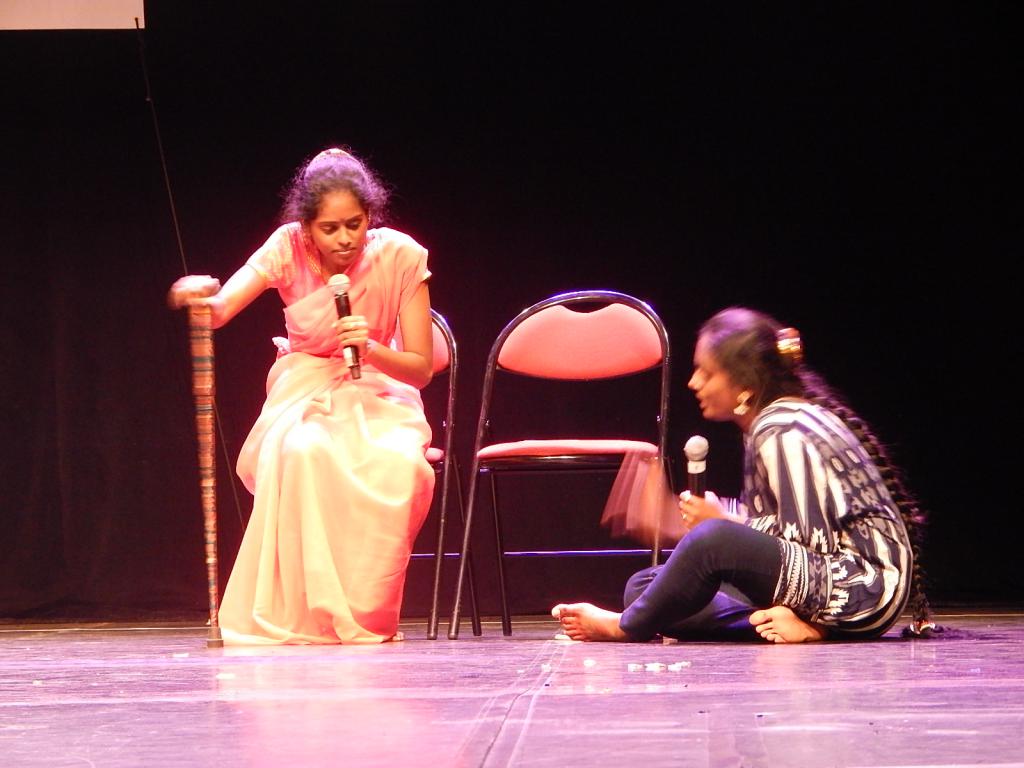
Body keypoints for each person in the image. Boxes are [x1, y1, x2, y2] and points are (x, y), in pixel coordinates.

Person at [168, 147, 435, 644]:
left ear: (370, 216)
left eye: (354, 224)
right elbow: (221, 310)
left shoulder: (401, 255)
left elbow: (420, 369)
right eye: (329, 228)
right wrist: (199, 297)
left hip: (381, 388)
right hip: (305, 386)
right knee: (302, 451)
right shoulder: (286, 247)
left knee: (403, 466)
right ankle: (305, 616)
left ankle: (363, 613)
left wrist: (371, 347)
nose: (344, 238)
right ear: (307, 226)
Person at [553, 307, 935, 643]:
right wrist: (705, 522)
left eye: (707, 373)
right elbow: (778, 533)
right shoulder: (771, 424)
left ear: (744, 386)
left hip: (860, 590)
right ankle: (767, 624)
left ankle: (625, 627)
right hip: (821, 580)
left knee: (709, 542)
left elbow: (810, 546)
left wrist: (720, 527)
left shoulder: (783, 429)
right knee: (648, 588)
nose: (693, 382)